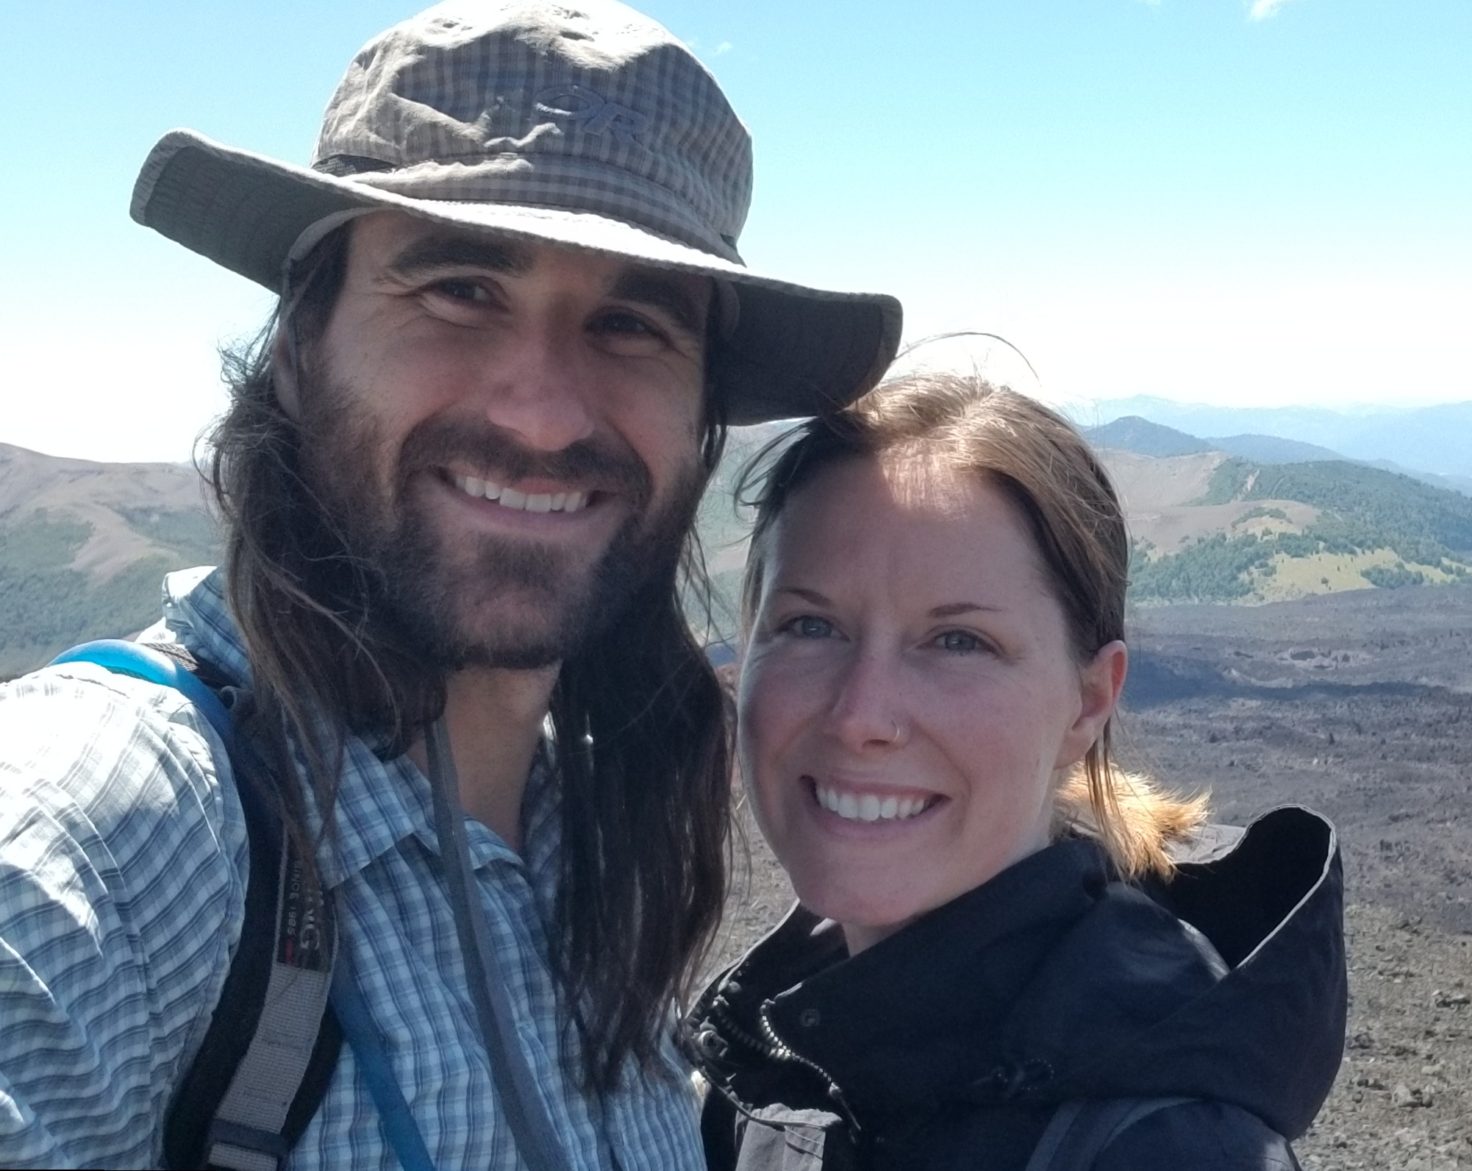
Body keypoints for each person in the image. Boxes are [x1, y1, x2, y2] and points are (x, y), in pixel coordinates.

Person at [0, 2, 900, 1168]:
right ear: (299, 341)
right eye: (459, 291)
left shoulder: (596, 848)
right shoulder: (100, 848)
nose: (541, 409)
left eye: (631, 324)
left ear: (700, 423)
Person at [681, 374, 1347, 1170]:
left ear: (1086, 702)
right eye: (810, 624)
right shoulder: (765, 1059)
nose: (861, 716)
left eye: (959, 641)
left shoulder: (1175, 1149)